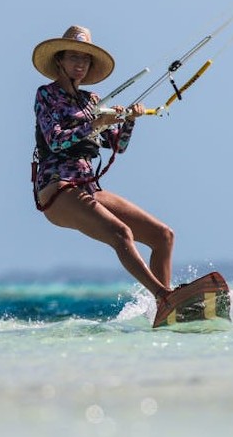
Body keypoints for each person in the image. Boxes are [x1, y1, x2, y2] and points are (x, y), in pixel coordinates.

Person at [31, 25, 174, 305]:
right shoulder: (45, 95)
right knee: (121, 233)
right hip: (56, 187)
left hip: (89, 186)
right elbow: (57, 142)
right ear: (59, 60)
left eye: (85, 59)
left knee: (163, 235)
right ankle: (164, 296)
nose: (80, 64)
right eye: (74, 57)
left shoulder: (92, 101)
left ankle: (165, 311)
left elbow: (117, 146)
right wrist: (95, 123)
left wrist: (128, 120)